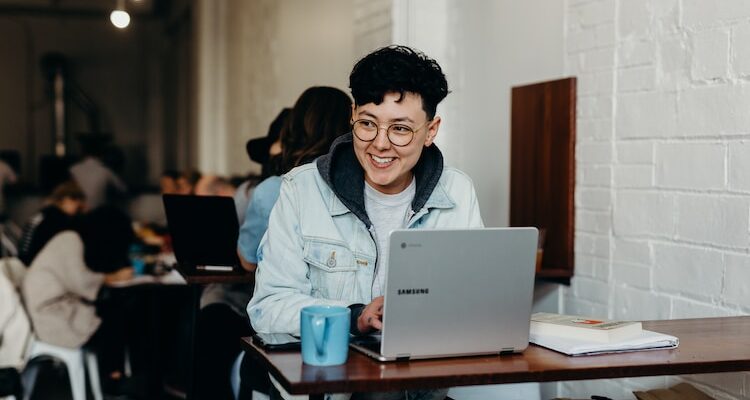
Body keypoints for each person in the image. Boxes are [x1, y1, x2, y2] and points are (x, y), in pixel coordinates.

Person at [247, 46, 483, 400]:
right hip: (326, 393)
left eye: (401, 129)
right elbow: (267, 308)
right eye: (368, 124)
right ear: (352, 114)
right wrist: (353, 317)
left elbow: (475, 303)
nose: (380, 145)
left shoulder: (457, 192)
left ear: (431, 130)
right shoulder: (301, 189)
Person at [21, 206, 135, 391]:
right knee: (115, 317)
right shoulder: (70, 240)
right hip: (50, 317)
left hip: (59, 307)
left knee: (116, 312)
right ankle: (114, 377)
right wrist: (111, 277)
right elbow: (81, 282)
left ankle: (115, 374)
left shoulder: (74, 239)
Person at [18, 180, 86, 266]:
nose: (78, 207)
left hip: (23, 262)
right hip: (35, 264)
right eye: (75, 200)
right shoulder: (57, 218)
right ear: (65, 199)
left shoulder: (44, 213)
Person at [69, 137, 127, 210]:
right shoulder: (105, 171)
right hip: (99, 214)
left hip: (78, 214)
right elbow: (123, 190)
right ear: (102, 154)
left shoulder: (73, 170)